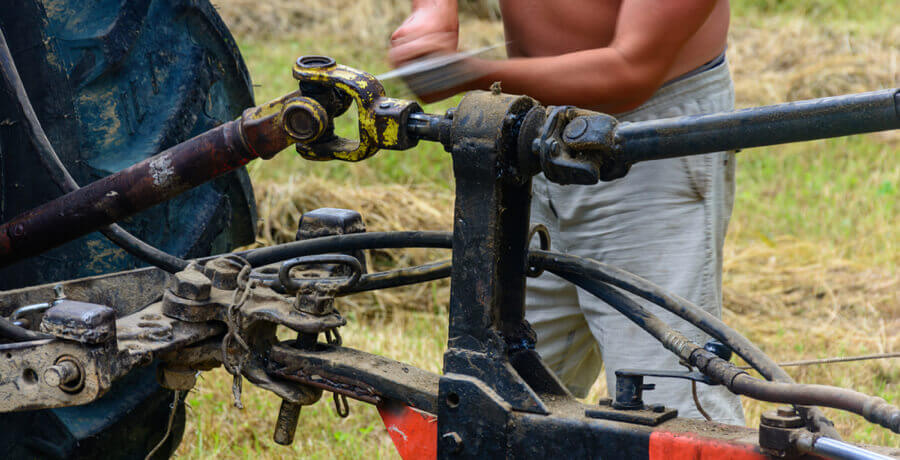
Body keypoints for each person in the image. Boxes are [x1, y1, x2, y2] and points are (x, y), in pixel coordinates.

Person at [390, 0, 745, 425]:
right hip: (535, 128)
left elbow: (631, 69)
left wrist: (468, 74)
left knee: (669, 399)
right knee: (504, 392)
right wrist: (433, 10)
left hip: (646, 140)